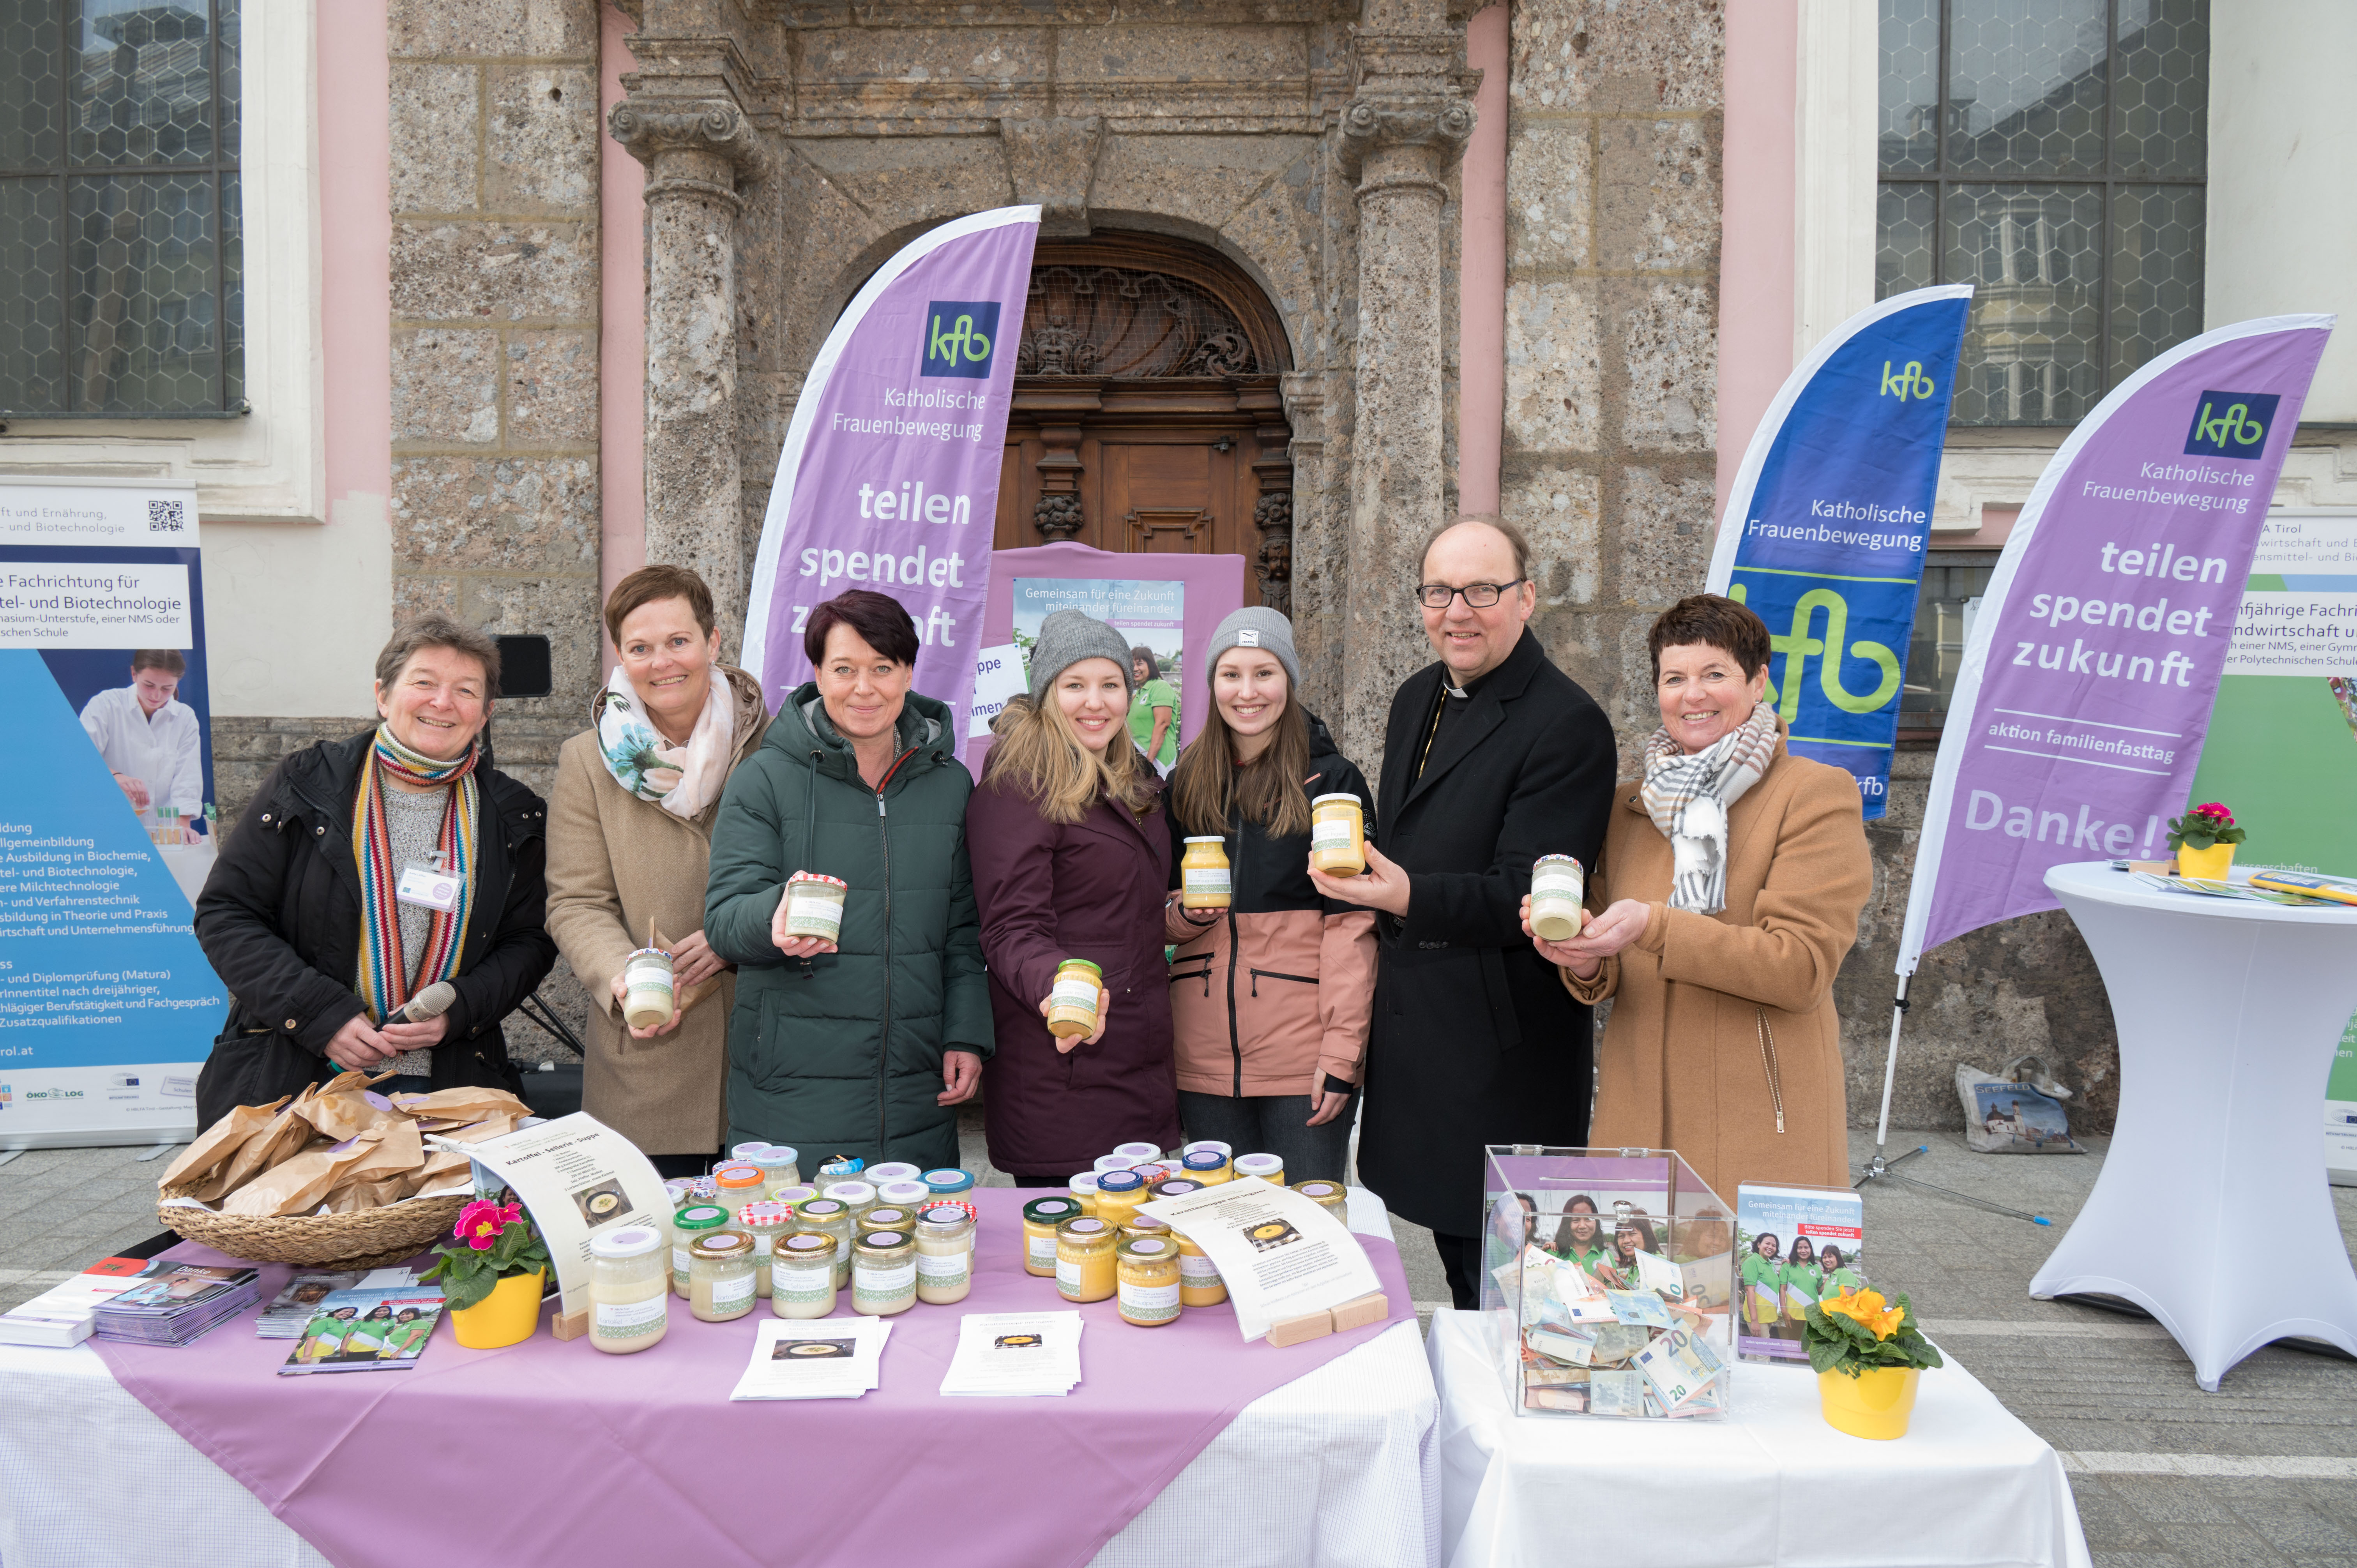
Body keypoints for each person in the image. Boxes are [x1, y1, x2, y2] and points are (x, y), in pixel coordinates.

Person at [1308, 516, 1617, 1309]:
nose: (1458, 611)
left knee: (1512, 1290)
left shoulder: (1567, 721)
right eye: (1439, 591)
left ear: (1527, 597)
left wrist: (1404, 895)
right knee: (1458, 1266)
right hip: (1423, 1039)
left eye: (1482, 590)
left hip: (1500, 1053)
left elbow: (1534, 894)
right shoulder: (1417, 694)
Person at [1523, 593, 1873, 1199]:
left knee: (1751, 1269)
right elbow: (1610, 955)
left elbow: (1801, 968)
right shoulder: (1629, 806)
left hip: (1757, 1123)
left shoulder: (1814, 795)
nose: (1693, 695)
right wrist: (1582, 957)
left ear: (1758, 682)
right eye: (1675, 678)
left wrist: (1655, 926)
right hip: (1640, 1117)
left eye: (1715, 674)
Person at [193, 617, 557, 1128]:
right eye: (424, 682)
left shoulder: (512, 813)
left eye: (466, 690)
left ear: (485, 713)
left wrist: (459, 1009)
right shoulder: (308, 783)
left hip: (446, 1085)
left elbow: (530, 940)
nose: (443, 702)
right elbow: (227, 913)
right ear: (383, 695)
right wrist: (321, 1016)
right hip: (303, 1076)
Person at [704, 590, 991, 1170]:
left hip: (915, 1092)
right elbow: (724, 920)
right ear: (816, 673)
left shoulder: (950, 785)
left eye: (883, 668)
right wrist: (774, 916)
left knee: (911, 1228)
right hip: (791, 1090)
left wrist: (965, 1035)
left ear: (908, 673)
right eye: (844, 669)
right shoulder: (765, 778)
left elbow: (963, 934)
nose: (865, 689)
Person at [546, 566, 768, 1178]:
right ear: (621, 656)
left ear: (713, 642)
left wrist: (737, 936)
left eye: (679, 641)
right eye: (641, 648)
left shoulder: (777, 746)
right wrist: (626, 980)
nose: (662, 662)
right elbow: (576, 901)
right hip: (648, 1065)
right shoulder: (587, 760)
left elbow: (810, 876)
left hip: (767, 1057)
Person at [1163, 608, 1377, 1183]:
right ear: (1212, 683)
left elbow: (1354, 928)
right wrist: (1185, 916)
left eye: (1265, 673)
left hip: (1302, 1063)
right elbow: (1155, 912)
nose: (1247, 692)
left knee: (1308, 1225)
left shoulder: (1333, 783)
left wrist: (1342, 1055)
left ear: (1290, 679)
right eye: (1231, 674)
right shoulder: (1185, 781)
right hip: (1202, 1061)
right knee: (1218, 1223)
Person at [967, 608, 1178, 1185]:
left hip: (1137, 1056)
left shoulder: (1135, 778)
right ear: (1046, 694)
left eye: (1111, 685)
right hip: (1063, 1063)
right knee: (1073, 1238)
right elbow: (1010, 929)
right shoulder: (1018, 785)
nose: (1095, 702)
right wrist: (1064, 988)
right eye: (1075, 685)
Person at [80, 649, 206, 832]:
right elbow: (80, 757)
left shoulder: (185, 717)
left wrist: (183, 826)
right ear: (134, 674)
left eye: (167, 689)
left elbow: (188, 776)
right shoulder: (106, 704)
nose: (156, 696)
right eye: (149, 685)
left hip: (164, 828)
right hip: (109, 822)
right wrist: (115, 776)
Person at [1127, 645, 1180, 771]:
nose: (1135, 669)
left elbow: (1163, 725)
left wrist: (1149, 762)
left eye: (1140, 664)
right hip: (1140, 761)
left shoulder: (1160, 687)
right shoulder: (1139, 693)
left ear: (1150, 665)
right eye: (1132, 665)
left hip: (1157, 761)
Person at [1552, 1195, 1611, 1276]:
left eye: (1588, 1219)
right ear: (1567, 1224)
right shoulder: (1554, 1253)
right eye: (1576, 1220)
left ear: (1596, 1222)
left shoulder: (1607, 1256)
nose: (1582, 1226)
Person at [1741, 1231, 1783, 1335]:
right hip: (1758, 1318)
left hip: (1768, 1316)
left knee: (1757, 1346)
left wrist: (1784, 1266)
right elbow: (1749, 1291)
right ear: (1759, 1244)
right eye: (1767, 1244)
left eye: (1774, 1246)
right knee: (1764, 1346)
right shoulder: (1752, 1262)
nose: (1770, 1247)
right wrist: (1754, 1321)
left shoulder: (1770, 1264)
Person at [1779, 1233, 1820, 1335]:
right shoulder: (1787, 1266)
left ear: (1811, 1249)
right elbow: (1782, 1289)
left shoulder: (1816, 1268)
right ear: (1795, 1250)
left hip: (1814, 1316)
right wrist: (1784, 1311)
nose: (1803, 1251)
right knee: (1794, 1343)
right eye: (1800, 1248)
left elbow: (1818, 1291)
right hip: (1793, 1315)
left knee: (1812, 1344)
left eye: (1806, 1248)